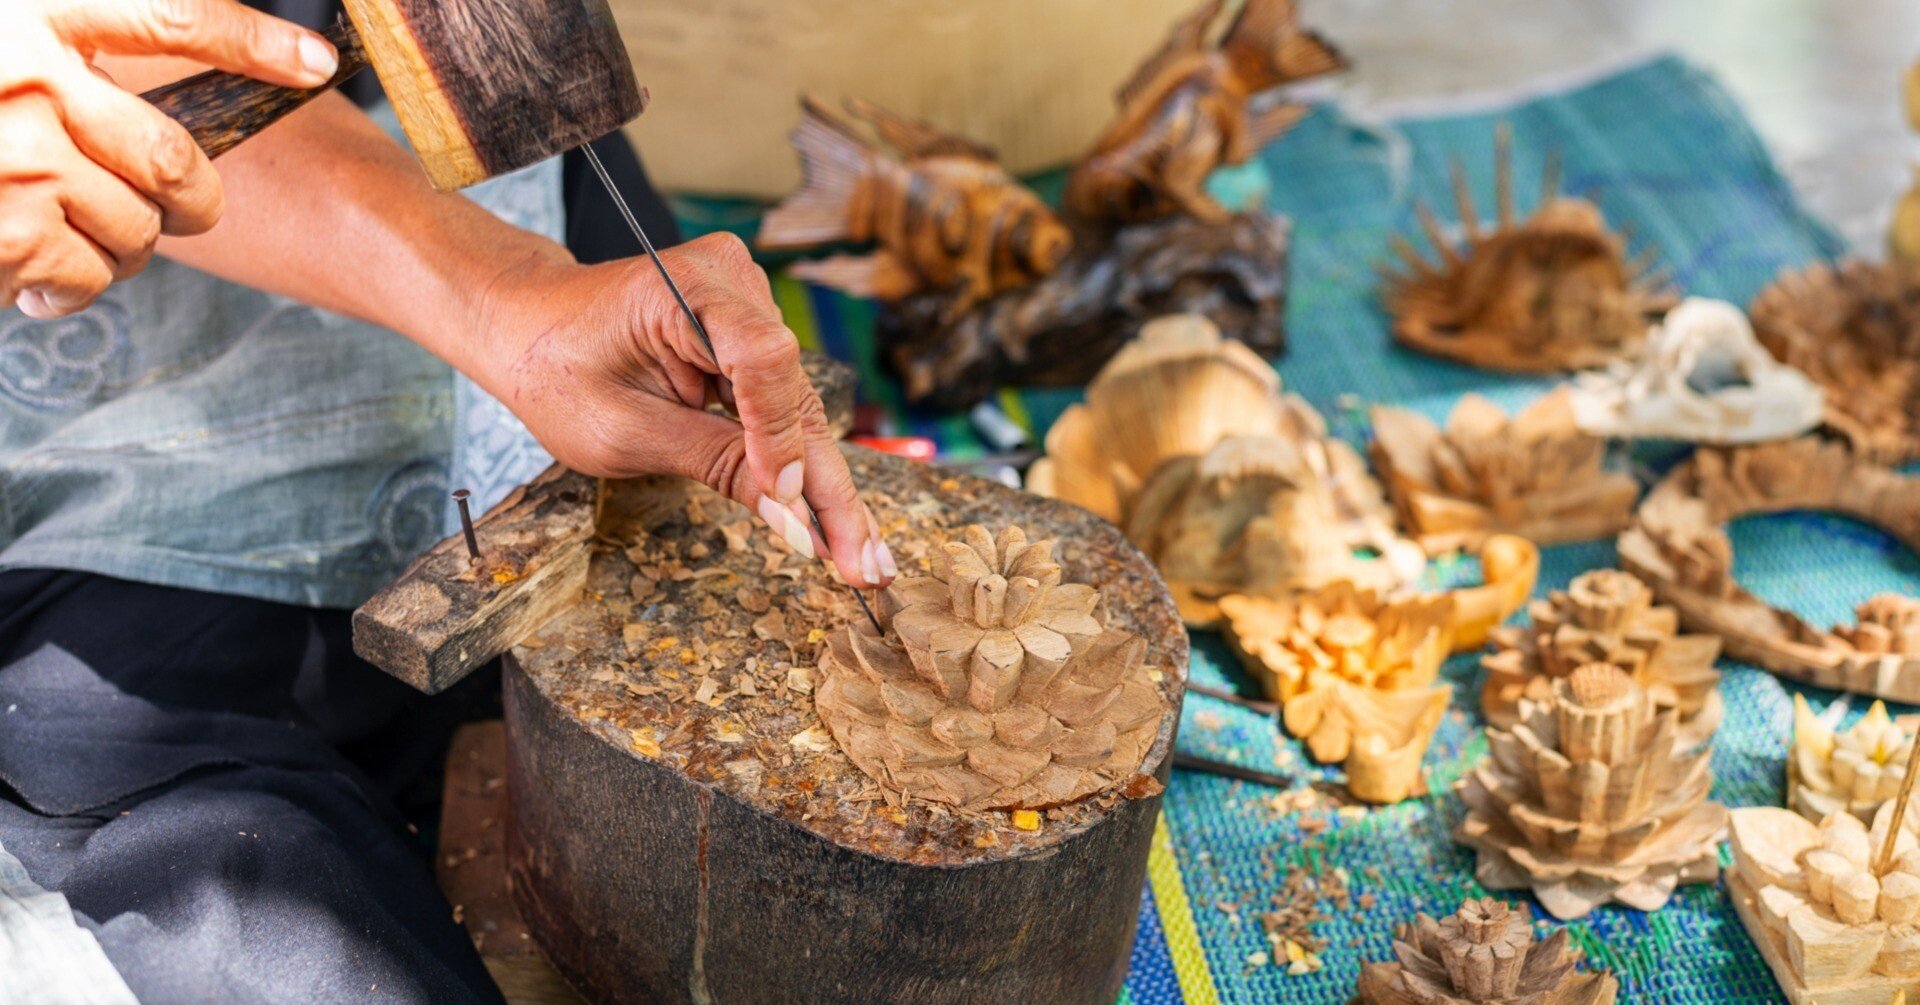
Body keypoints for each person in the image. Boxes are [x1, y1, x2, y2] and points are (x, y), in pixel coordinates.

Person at [0, 1, 894, 1001]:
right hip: (137, 531)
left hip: (529, 259)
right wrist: (504, 296)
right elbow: (103, 74)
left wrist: (519, 295)